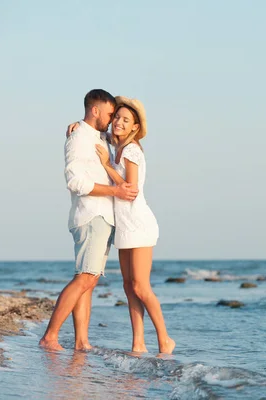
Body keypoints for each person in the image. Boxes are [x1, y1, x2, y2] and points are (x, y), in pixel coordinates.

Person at [68, 96, 175, 354]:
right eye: (117, 117)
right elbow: (90, 130)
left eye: (125, 120)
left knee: (140, 286)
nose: (118, 122)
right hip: (124, 225)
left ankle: (165, 338)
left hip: (138, 224)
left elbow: (130, 189)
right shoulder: (111, 144)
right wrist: (75, 125)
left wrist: (106, 164)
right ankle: (138, 342)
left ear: (134, 127)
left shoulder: (131, 150)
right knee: (128, 287)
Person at [39, 89, 138, 352]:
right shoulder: (79, 138)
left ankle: (81, 341)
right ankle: (50, 337)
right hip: (91, 214)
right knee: (85, 277)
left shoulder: (98, 135)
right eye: (109, 114)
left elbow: (118, 135)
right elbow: (75, 182)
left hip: (102, 216)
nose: (112, 120)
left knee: (89, 280)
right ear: (95, 110)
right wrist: (115, 191)